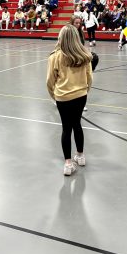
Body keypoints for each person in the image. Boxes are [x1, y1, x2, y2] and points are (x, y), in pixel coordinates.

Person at [46, 25, 92, 176]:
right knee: (77, 124)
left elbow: (50, 81)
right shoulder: (85, 55)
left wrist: (54, 95)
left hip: (63, 97)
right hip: (81, 95)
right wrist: (85, 90)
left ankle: (67, 164)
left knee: (66, 128)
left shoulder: (55, 56)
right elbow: (89, 78)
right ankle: (81, 156)